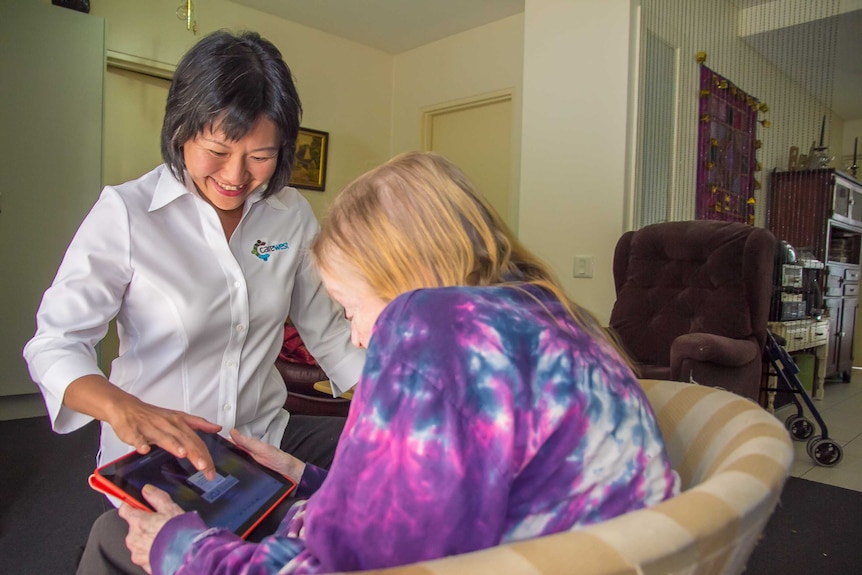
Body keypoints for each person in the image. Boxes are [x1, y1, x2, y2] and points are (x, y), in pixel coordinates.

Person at [119, 151, 680, 575]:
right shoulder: (548, 314)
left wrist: (182, 551)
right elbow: (431, 503)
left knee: (122, 538)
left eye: (351, 308)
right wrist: (303, 480)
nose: (359, 337)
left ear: (405, 276)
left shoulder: (436, 328)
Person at [22, 29, 364, 572]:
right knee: (129, 544)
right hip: (164, 453)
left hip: (263, 438)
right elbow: (55, 343)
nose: (235, 177)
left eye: (260, 158)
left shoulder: (289, 214)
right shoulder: (127, 214)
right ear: (182, 130)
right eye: (218, 152)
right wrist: (122, 408)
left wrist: (392, 405)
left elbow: (328, 332)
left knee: (375, 461)